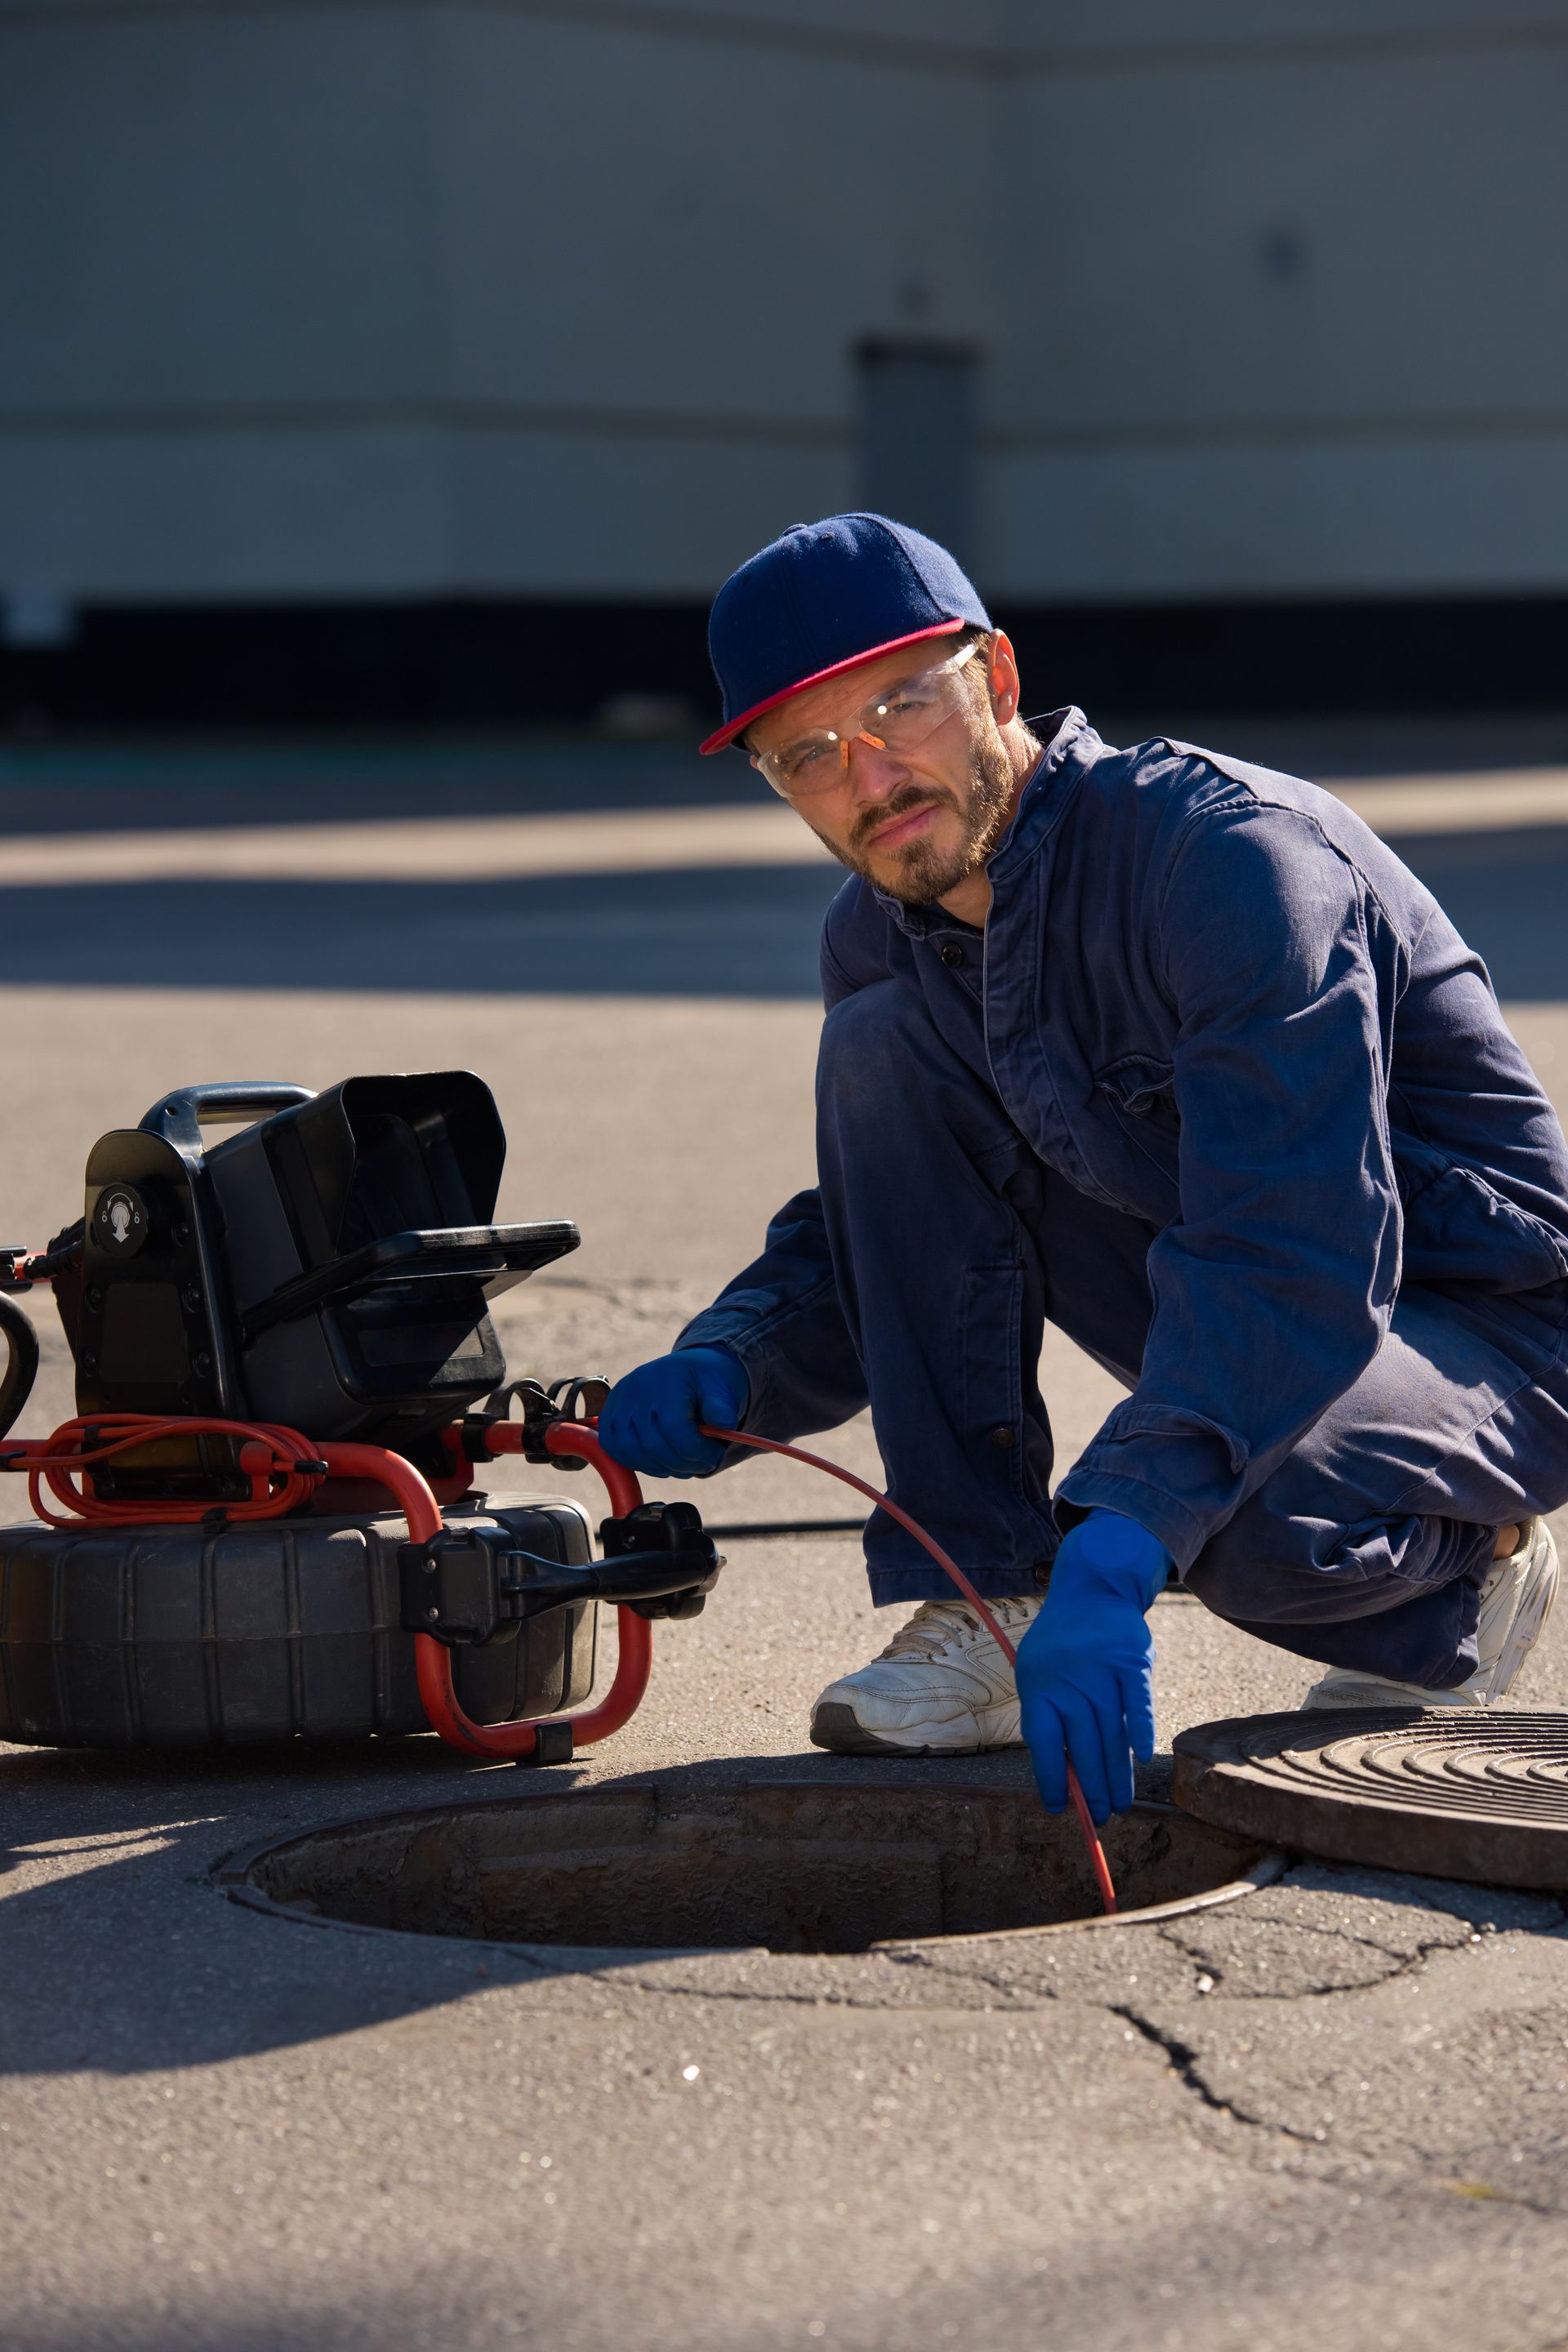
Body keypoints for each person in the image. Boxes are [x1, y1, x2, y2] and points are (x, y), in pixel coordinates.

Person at [597, 512, 1568, 1824]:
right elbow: (903, 1221)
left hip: (1490, 1324)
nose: (871, 776)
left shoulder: (1230, 862)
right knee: (881, 1048)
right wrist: (739, 1357)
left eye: (900, 707)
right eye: (808, 755)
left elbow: (1294, 1242)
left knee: (1237, 1522)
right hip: (1237, 1277)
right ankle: (988, 1599)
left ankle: (1475, 1559)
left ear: (996, 679)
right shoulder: (880, 935)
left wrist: (1121, 1540)